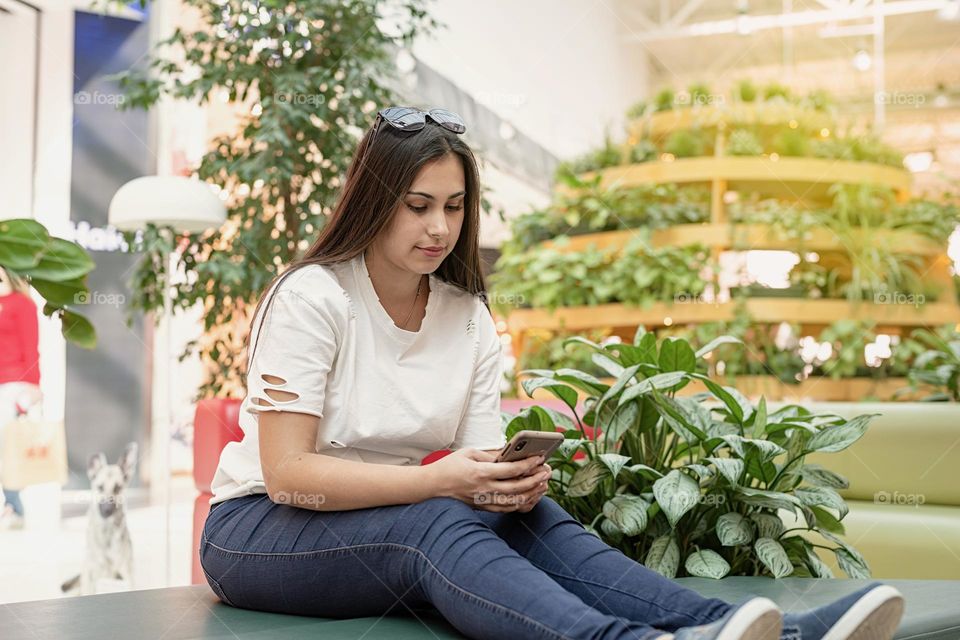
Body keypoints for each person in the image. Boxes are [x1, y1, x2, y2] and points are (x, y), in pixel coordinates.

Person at [199, 106, 904, 640]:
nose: (439, 228)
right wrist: (442, 481)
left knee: (533, 516)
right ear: (374, 200)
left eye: (453, 206)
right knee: (433, 524)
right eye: (417, 206)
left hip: (390, 515)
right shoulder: (314, 297)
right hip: (262, 528)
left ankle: (742, 630)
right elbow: (290, 473)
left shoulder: (465, 313)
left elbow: (473, 462)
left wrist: (501, 482)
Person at [0, 267, 43, 531]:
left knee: (8, 448)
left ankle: (13, 506)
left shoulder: (23, 304)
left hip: (14, 385)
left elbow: (31, 346)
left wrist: (34, 386)